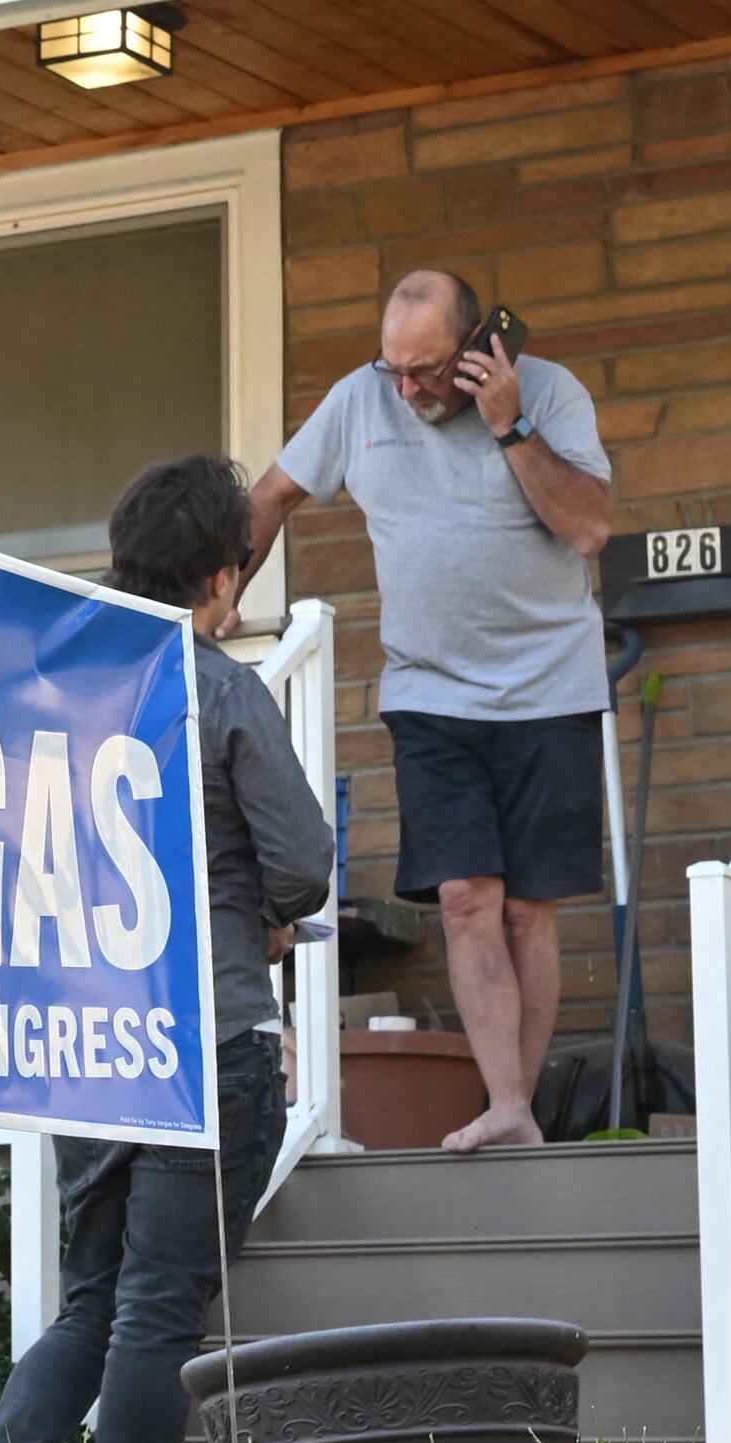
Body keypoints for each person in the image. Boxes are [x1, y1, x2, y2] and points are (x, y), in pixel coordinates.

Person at [0, 453, 334, 1443]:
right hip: (200, 1040)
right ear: (220, 579)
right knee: (159, 1300)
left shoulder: (45, 696)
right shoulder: (218, 688)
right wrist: (263, 917)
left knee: (93, 1296)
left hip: (81, 1041)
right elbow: (304, 865)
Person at [245, 270, 616, 1154]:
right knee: (462, 896)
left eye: (427, 370)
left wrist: (511, 425)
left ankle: (514, 1109)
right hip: (429, 692)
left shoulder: (551, 396)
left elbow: (591, 527)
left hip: (550, 688)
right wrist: (217, 601)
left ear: (480, 343)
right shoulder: (359, 401)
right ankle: (508, 1102)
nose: (406, 390)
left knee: (529, 909)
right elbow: (269, 496)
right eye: (393, 368)